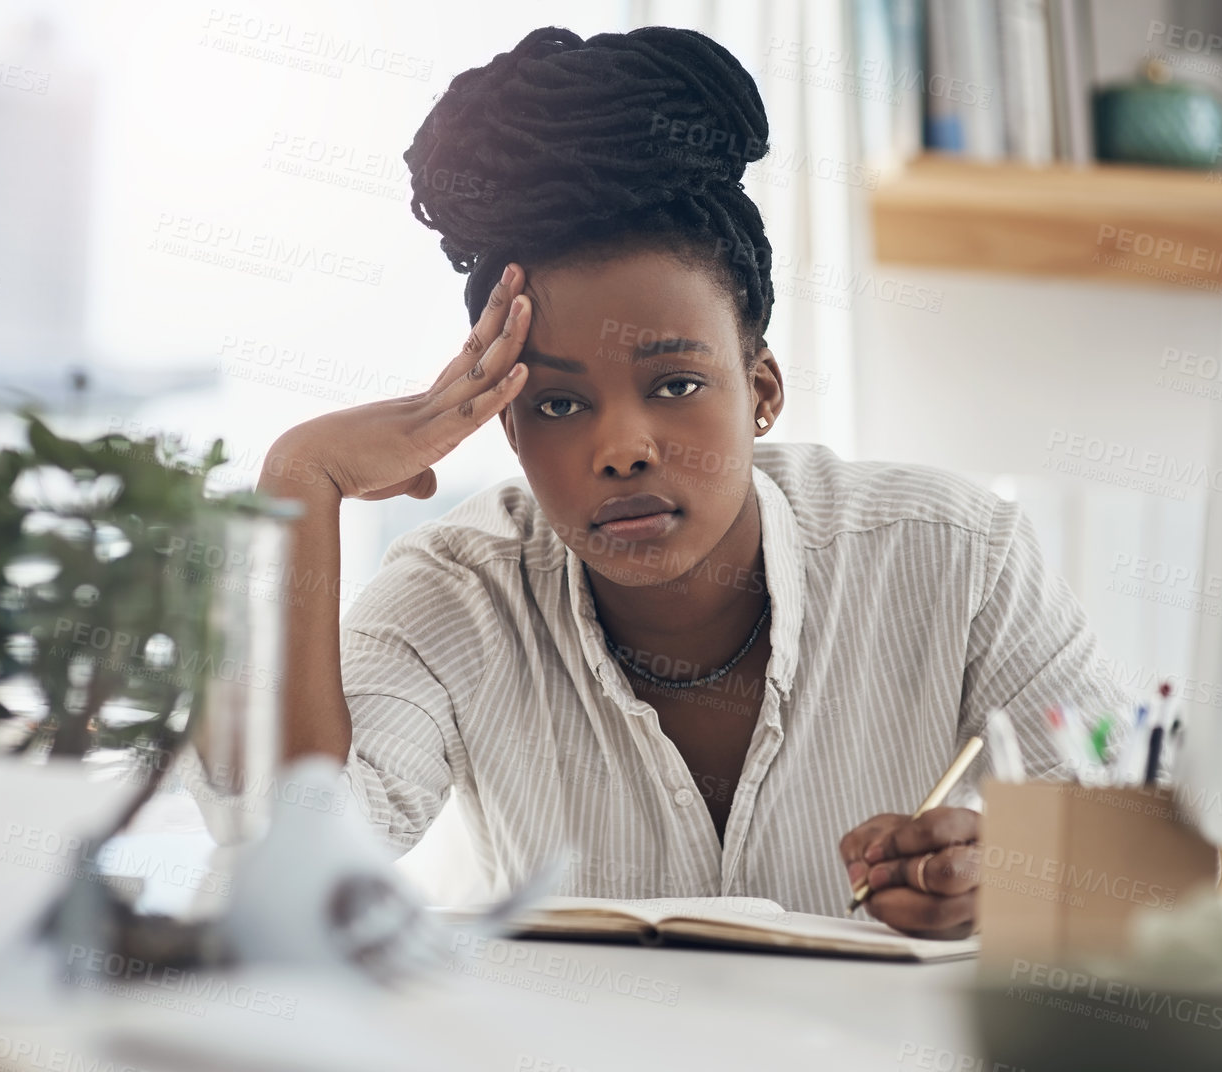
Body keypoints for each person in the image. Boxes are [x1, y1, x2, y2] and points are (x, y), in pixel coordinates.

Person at [258, 25, 1127, 938]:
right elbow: (294, 866)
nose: (622, 449)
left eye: (675, 384)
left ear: (761, 391)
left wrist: (1014, 879)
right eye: (557, 405)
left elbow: (1155, 863)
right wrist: (298, 482)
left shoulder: (958, 556)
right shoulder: (458, 592)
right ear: (504, 428)